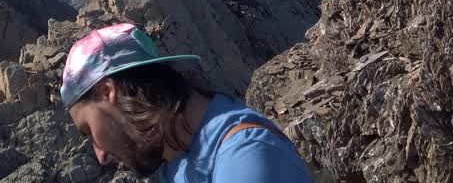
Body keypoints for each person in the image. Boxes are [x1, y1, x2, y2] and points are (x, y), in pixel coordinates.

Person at [61, 22, 312, 182]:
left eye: (88, 131)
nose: (100, 155)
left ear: (107, 92)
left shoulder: (246, 157)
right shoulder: (177, 159)